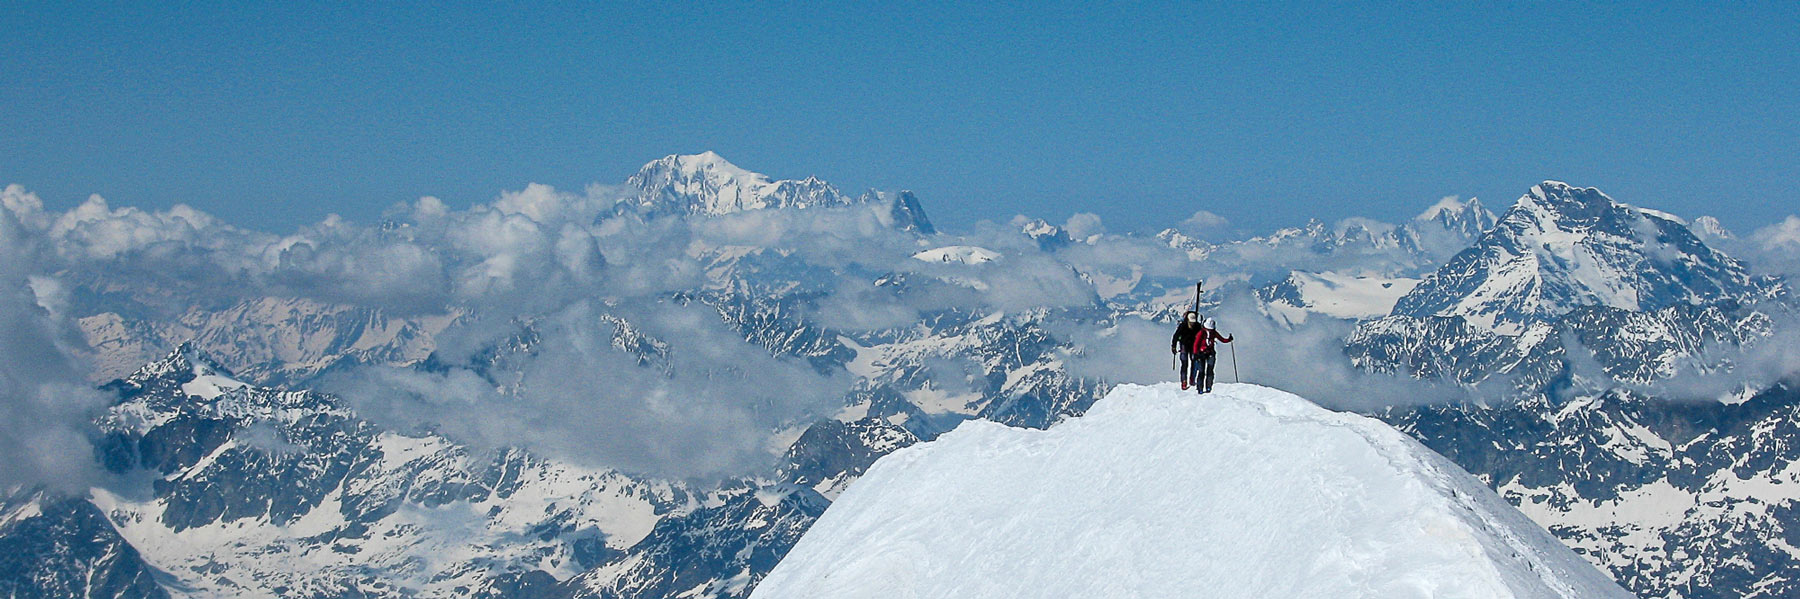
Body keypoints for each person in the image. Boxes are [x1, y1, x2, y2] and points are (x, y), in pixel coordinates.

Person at [1190, 317, 1233, 394]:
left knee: (1207, 371)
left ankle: (1206, 387)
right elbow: (1196, 344)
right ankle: (1202, 387)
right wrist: (1196, 353)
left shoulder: (1206, 332)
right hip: (1202, 354)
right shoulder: (1206, 333)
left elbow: (1222, 339)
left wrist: (1228, 340)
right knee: (1203, 371)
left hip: (1206, 353)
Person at [1170, 311, 1204, 390]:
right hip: (1185, 346)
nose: (1192, 324)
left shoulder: (1197, 326)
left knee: (1194, 362)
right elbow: (1176, 336)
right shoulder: (1183, 326)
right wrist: (1173, 347)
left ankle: (1192, 379)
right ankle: (1184, 381)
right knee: (1185, 364)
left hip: (1192, 346)